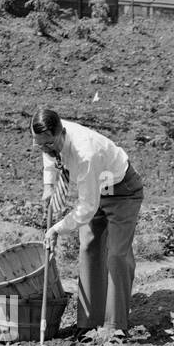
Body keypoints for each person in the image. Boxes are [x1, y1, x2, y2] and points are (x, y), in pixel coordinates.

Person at [33, 107, 144, 332]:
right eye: (39, 144)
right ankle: (89, 323)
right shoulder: (49, 133)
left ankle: (115, 326)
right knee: (89, 248)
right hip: (97, 187)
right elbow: (49, 156)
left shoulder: (86, 154)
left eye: (49, 144)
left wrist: (57, 228)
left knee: (116, 256)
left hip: (122, 191)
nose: (45, 149)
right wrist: (48, 185)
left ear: (62, 133)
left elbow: (87, 208)